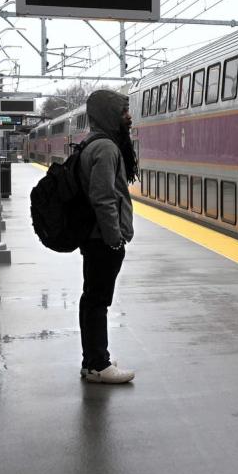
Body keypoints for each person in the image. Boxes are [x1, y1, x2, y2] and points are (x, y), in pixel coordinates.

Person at [78, 89, 138, 384]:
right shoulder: (106, 149)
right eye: (123, 111)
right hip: (101, 239)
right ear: (109, 115)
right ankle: (99, 365)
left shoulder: (95, 144)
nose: (129, 116)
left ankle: (92, 361)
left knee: (92, 299)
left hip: (95, 237)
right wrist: (114, 239)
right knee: (97, 300)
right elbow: (103, 197)